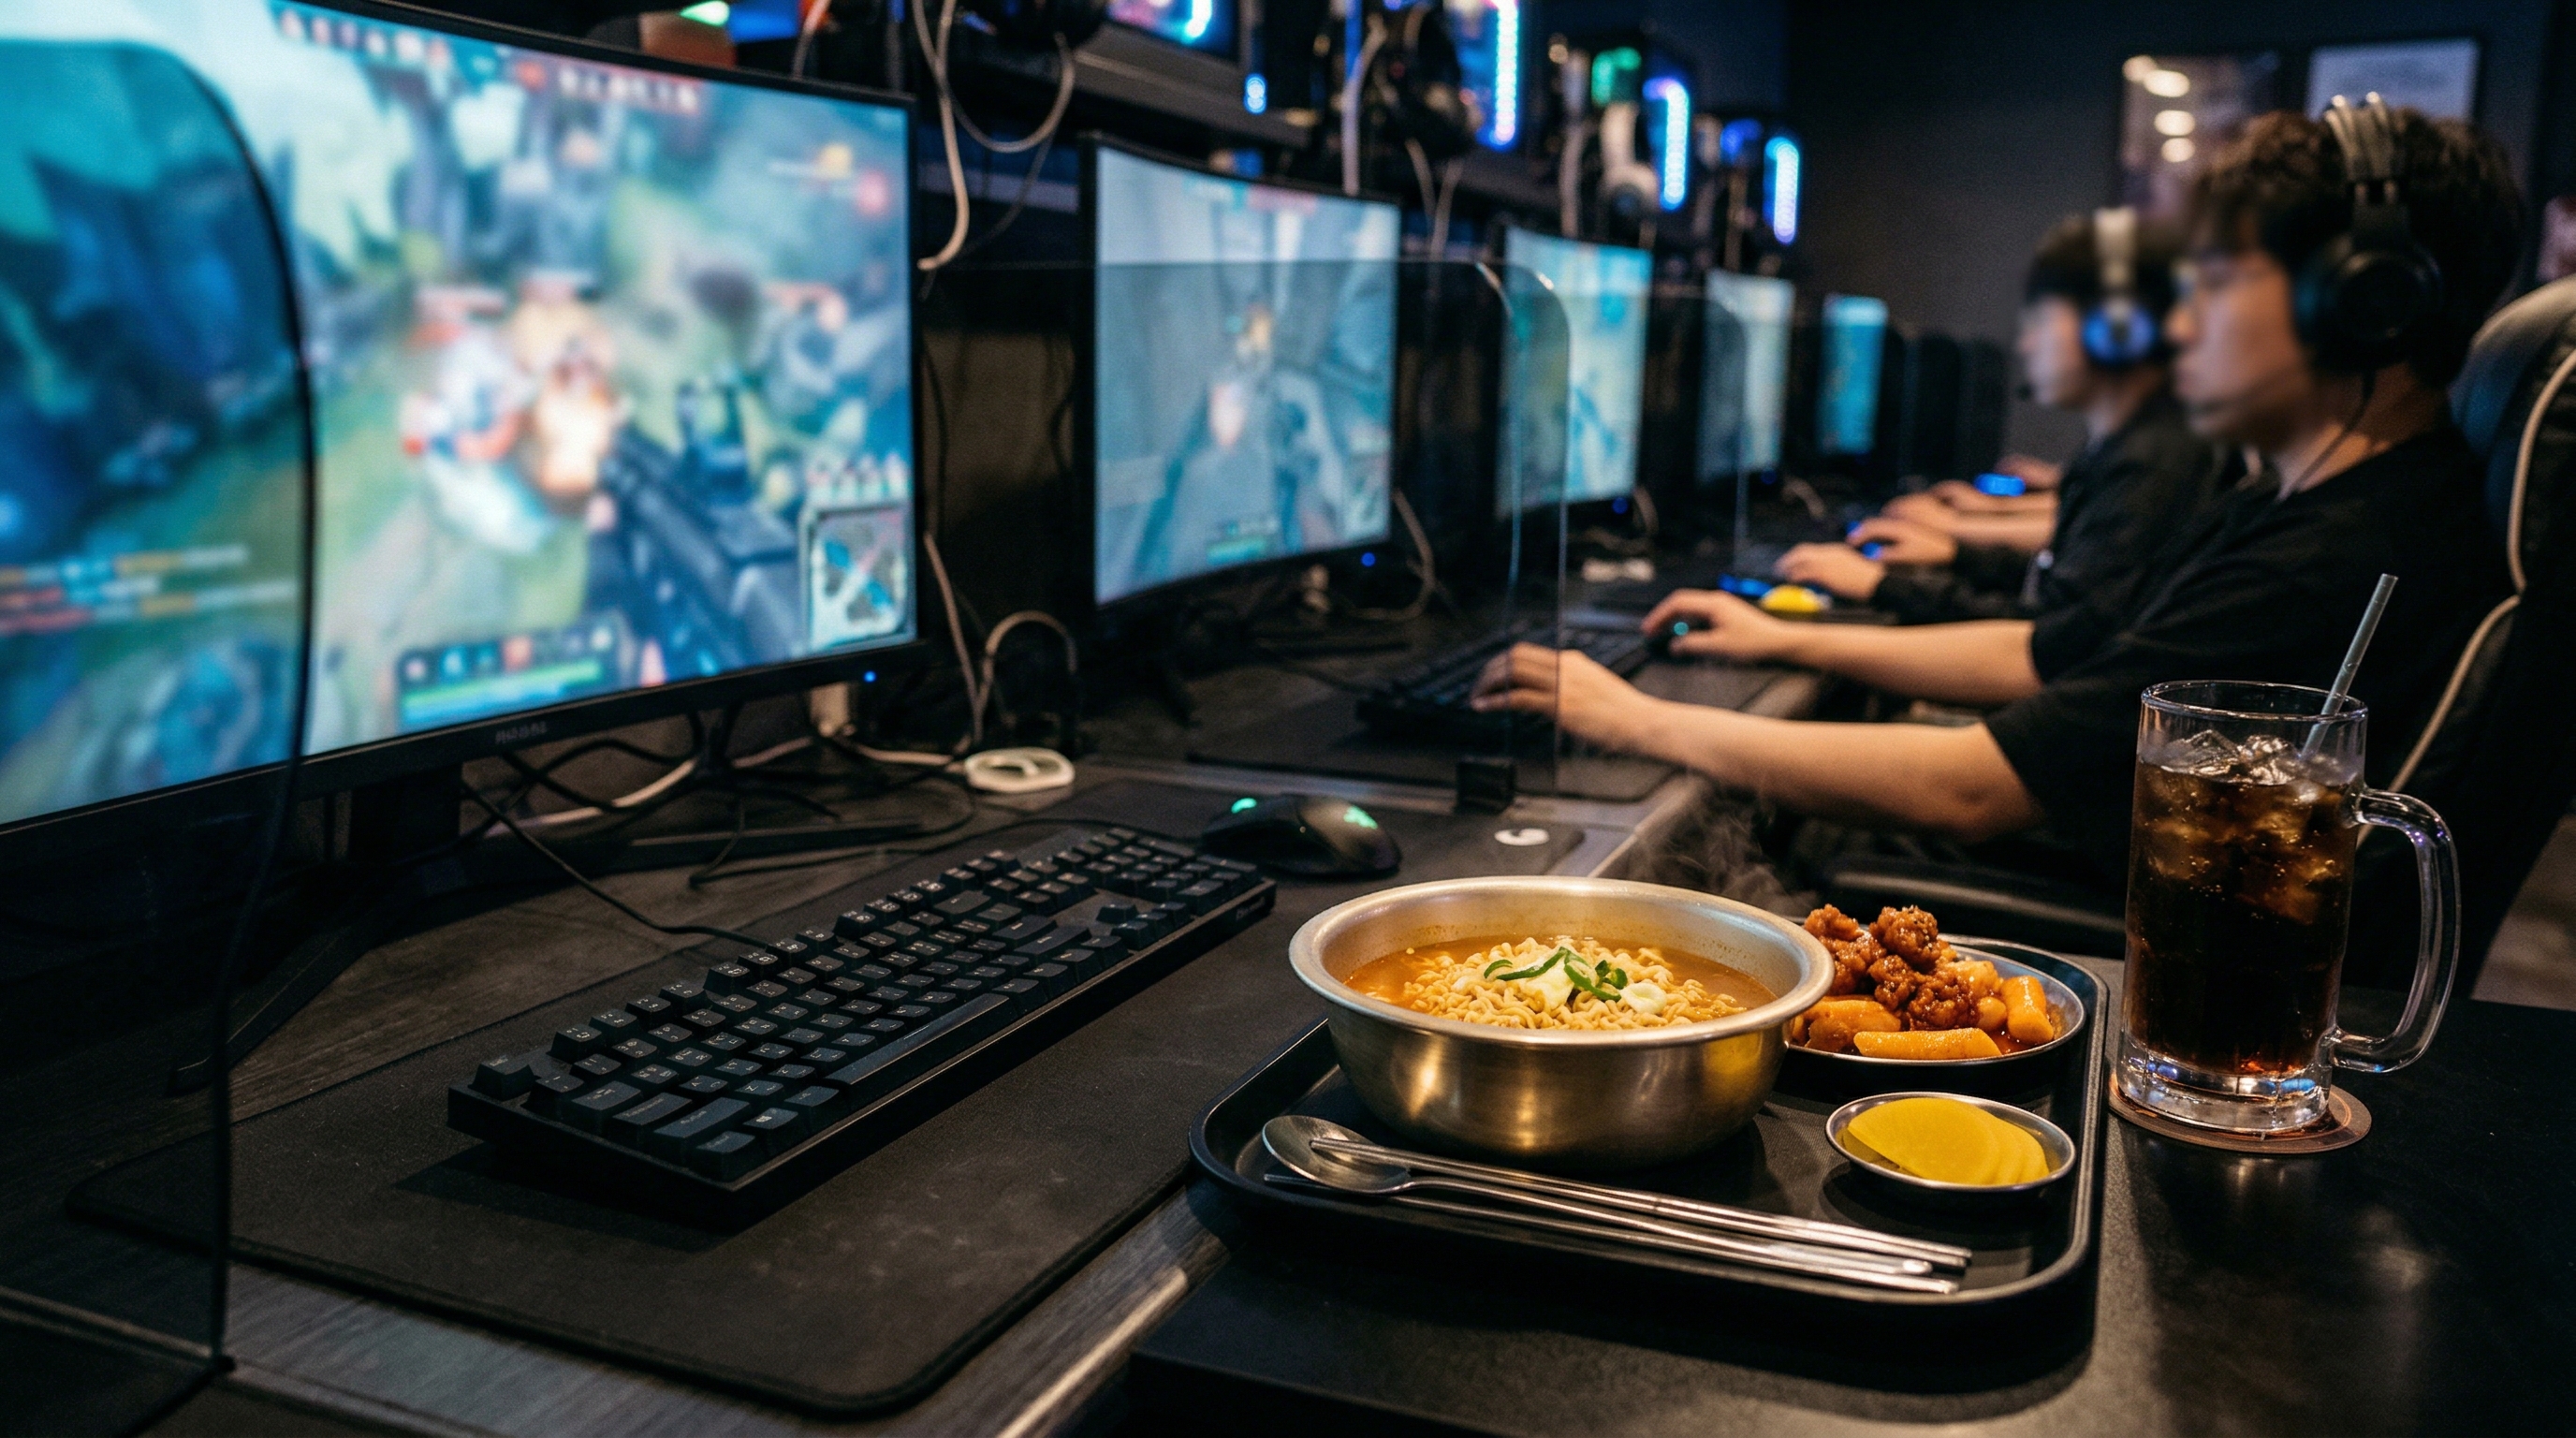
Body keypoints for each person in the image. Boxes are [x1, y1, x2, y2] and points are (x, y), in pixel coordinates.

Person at [1472, 102, 2520, 884]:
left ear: (2362, 306)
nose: (2179, 320)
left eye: (2217, 279)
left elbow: (1975, 788)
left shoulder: (2331, 558)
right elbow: (2071, 664)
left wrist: (1635, 715)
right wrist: (1778, 636)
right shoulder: (2315, 508)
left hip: (2126, 962)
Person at [1774, 211, 2221, 623]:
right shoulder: (2142, 445)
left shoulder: (2154, 461)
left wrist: (1880, 586)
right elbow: (2062, 590)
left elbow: (2043, 644)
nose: (2027, 345)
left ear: (2114, 330)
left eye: (2042, 321)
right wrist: (1956, 550)